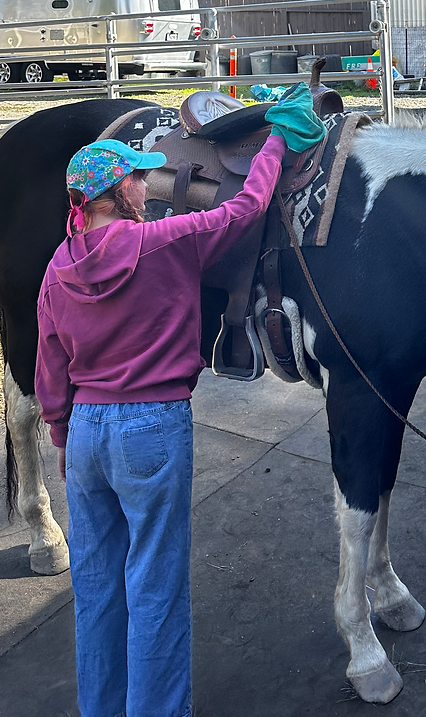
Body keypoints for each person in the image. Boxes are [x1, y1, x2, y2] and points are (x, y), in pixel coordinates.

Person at [35, 87, 325, 717]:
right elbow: (247, 208)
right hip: (151, 428)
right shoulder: (165, 241)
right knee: (156, 586)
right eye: (138, 178)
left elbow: (50, 364)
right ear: (116, 191)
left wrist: (61, 435)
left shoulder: (58, 266)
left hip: (84, 433)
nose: (148, 186)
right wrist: (277, 138)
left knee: (96, 586)